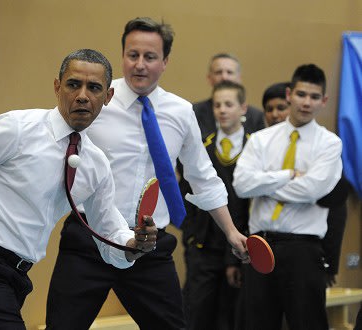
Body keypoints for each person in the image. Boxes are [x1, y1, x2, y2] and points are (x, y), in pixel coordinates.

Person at [0, 49, 159, 330]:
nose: (83, 96)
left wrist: (135, 245)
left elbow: (109, 232)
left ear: (108, 97)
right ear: (57, 87)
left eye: (94, 87)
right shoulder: (17, 129)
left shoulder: (96, 165)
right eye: (73, 84)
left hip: (15, 279)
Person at [46, 17, 249, 330]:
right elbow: (52, 150)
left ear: (165, 61)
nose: (139, 65)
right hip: (89, 239)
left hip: (149, 244)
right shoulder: (97, 97)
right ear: (123, 55)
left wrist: (231, 232)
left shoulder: (181, 112)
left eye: (150, 57)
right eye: (132, 55)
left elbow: (202, 177)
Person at [233, 64, 343, 330]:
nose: (307, 102)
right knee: (257, 324)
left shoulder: (330, 143)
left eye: (314, 97)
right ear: (289, 94)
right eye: (301, 94)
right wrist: (289, 174)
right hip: (261, 245)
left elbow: (312, 191)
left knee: (308, 324)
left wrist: (264, 183)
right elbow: (241, 185)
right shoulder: (260, 139)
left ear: (323, 101)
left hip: (304, 250)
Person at [179, 52, 264, 327]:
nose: (223, 110)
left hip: (241, 237)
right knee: (196, 311)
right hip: (204, 238)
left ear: (243, 108)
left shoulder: (256, 138)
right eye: (218, 105)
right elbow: (186, 180)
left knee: (232, 316)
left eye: (229, 104)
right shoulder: (201, 134)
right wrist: (190, 230)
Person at [262, 81, 349, 287]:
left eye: (281, 108)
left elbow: (336, 208)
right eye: (269, 109)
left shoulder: (322, 148)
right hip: (264, 249)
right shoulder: (259, 147)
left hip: (307, 252)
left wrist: (330, 261)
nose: (275, 115)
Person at [192, 53, 265, 138]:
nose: (224, 77)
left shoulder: (256, 117)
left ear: (239, 78)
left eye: (229, 72)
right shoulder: (194, 113)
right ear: (209, 78)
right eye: (218, 72)